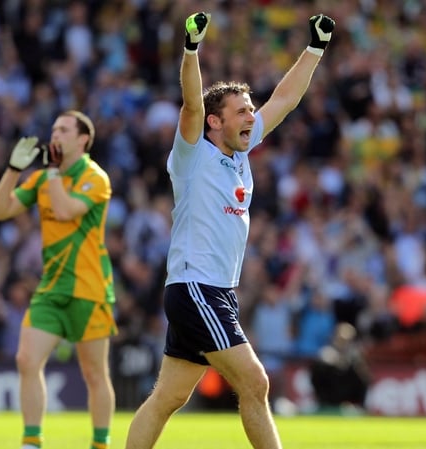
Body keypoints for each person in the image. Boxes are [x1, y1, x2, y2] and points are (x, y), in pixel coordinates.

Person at [125, 11, 335, 449]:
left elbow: (285, 99)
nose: (251, 117)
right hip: (197, 288)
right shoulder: (191, 155)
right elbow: (191, 105)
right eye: (241, 111)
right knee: (255, 384)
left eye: (250, 111)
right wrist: (191, 50)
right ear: (215, 122)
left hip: (215, 290)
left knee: (168, 397)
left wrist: (314, 50)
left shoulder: (240, 154)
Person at [0, 110, 117, 449]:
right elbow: (0, 211)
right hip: (51, 287)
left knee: (94, 373)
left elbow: (63, 210)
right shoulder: (45, 177)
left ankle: (100, 443)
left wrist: (51, 172)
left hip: (89, 289)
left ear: (82, 139)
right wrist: (13, 170)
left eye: (63, 130)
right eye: (53, 130)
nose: (54, 136)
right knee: (26, 361)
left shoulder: (95, 177)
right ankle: (32, 441)